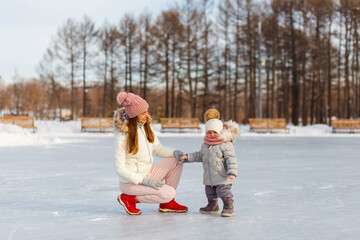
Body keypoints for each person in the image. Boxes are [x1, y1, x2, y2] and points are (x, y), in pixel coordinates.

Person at [113, 92, 187, 215]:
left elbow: (158, 149)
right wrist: (143, 180)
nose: (147, 115)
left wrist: (175, 152)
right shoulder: (122, 135)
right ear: (134, 114)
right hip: (131, 183)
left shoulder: (146, 127)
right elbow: (120, 169)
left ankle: (167, 203)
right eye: (143, 113)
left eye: (147, 111)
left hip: (147, 175)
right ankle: (129, 198)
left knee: (176, 161)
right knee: (169, 192)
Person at [179, 118, 239, 217]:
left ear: (220, 132)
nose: (212, 135)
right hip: (209, 176)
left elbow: (231, 159)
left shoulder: (225, 144)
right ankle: (212, 206)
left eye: (215, 132)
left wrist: (232, 171)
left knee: (223, 192)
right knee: (209, 192)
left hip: (222, 176)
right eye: (209, 132)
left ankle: (228, 207)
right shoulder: (205, 145)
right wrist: (188, 157)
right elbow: (199, 155)